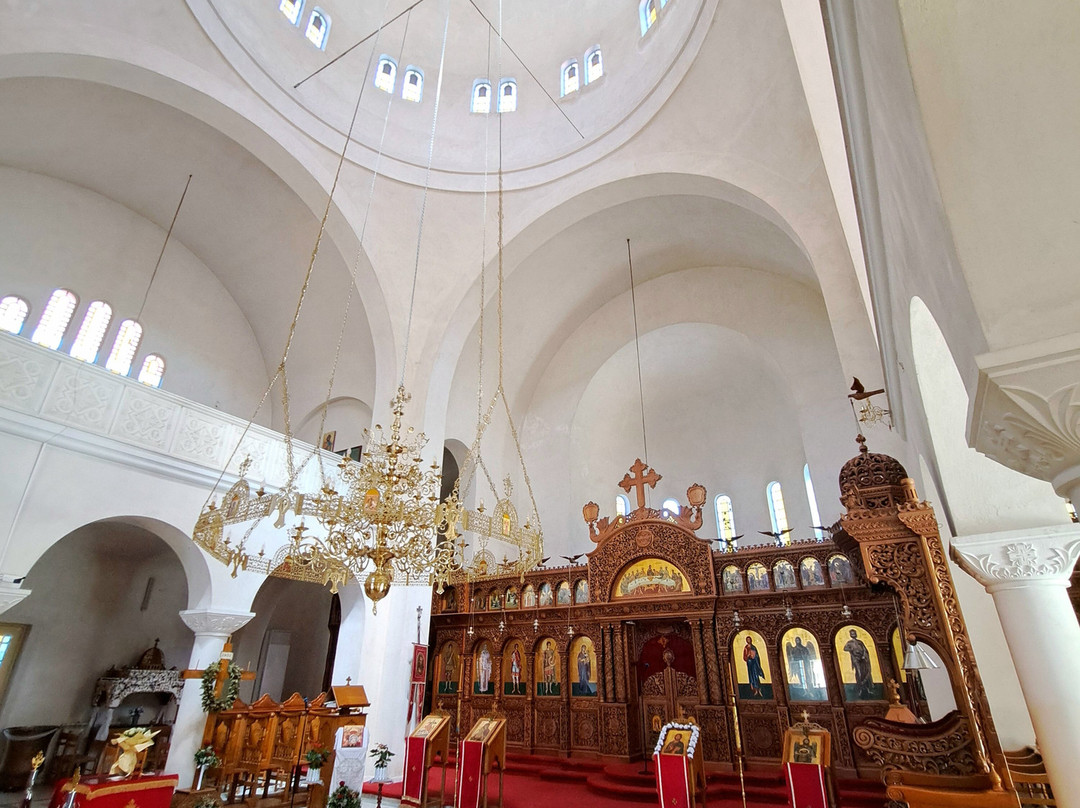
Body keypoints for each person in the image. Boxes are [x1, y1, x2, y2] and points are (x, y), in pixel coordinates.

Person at [844, 629, 875, 698]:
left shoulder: (860, 642)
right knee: (859, 673)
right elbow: (845, 648)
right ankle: (860, 689)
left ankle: (867, 688)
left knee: (865, 672)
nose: (853, 635)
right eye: (852, 634)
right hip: (856, 659)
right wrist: (851, 649)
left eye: (854, 633)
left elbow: (864, 649)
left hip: (863, 659)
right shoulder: (849, 642)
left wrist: (864, 655)